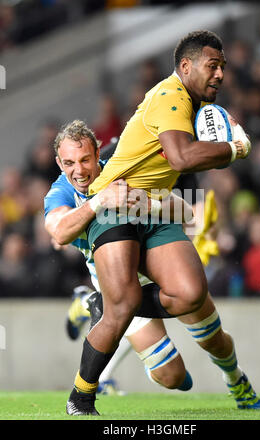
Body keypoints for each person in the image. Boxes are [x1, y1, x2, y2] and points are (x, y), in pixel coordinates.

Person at [65, 30, 260, 415]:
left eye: (222, 66)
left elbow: (181, 166)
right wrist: (233, 149)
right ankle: (81, 398)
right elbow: (181, 159)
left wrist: (221, 155)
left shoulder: (189, 106)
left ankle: (108, 302)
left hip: (153, 209)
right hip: (114, 209)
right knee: (167, 369)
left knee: (191, 294)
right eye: (212, 65)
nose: (220, 74)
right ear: (185, 66)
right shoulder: (170, 96)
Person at [44, 120, 196, 410]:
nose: (78, 170)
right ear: (58, 163)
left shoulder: (124, 169)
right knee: (173, 376)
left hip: (147, 269)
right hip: (114, 281)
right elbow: (60, 231)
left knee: (181, 377)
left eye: (85, 159)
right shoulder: (59, 192)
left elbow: (185, 207)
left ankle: (95, 303)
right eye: (68, 163)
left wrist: (150, 203)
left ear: (98, 152)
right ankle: (100, 302)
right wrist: (99, 201)